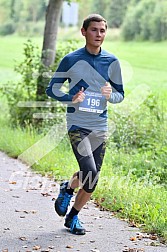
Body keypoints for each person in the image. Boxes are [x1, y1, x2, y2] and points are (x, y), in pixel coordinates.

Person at [46, 14, 124, 235]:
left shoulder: (112, 62)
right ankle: (69, 190)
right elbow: (52, 89)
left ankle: (72, 215)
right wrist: (71, 98)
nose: (99, 34)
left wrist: (111, 96)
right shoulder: (71, 60)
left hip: (100, 126)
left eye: (102, 31)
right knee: (89, 171)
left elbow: (120, 95)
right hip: (77, 125)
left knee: (92, 178)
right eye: (94, 30)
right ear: (83, 32)